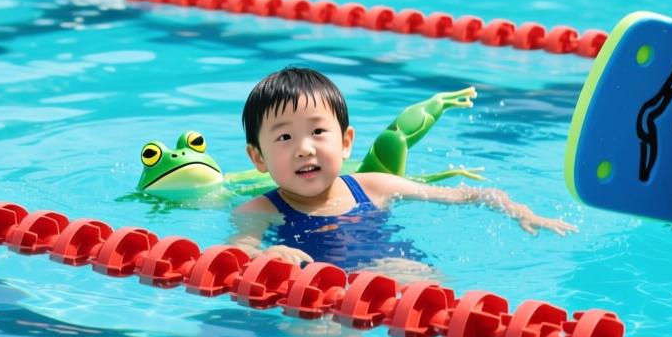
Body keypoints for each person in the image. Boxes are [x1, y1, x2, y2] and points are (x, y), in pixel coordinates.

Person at [231, 66, 576, 268]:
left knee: (466, 316)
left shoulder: (374, 186)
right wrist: (265, 256)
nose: (304, 149)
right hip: (325, 296)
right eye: (285, 137)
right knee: (326, 335)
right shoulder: (260, 210)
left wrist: (520, 211)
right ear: (258, 158)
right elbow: (235, 253)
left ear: (346, 142)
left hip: (404, 275)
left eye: (318, 132)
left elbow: (467, 195)